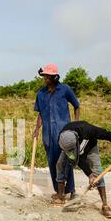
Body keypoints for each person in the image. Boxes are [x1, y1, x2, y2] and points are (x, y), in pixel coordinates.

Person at [56, 121, 111, 219]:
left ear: (76, 140)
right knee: (60, 164)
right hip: (71, 149)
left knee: (97, 171)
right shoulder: (62, 138)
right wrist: (89, 174)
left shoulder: (89, 130)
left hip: (90, 147)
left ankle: (105, 205)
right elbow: (77, 159)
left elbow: (107, 135)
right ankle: (60, 196)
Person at [33, 64, 80, 202]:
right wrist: (37, 128)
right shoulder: (40, 94)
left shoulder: (64, 89)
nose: (45, 79)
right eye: (44, 76)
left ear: (55, 77)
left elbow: (76, 106)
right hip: (48, 134)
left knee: (67, 161)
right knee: (52, 162)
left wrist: (75, 124)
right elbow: (40, 113)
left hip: (64, 133)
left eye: (48, 76)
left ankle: (71, 190)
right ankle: (59, 192)